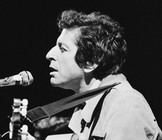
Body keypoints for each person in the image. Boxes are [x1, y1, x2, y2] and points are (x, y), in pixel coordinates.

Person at [27, 9, 162, 140]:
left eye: (63, 49)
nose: (49, 55)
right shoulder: (94, 102)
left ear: (90, 62)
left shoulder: (124, 105)